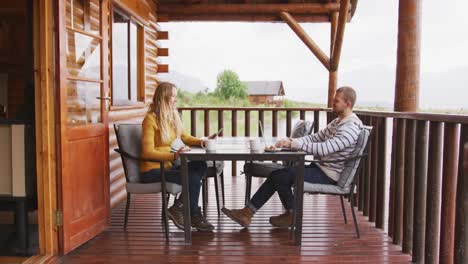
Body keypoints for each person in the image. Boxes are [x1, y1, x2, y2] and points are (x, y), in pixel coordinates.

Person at [222, 86, 363, 228]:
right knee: (279, 175)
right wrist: (291, 142)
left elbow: (326, 147)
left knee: (279, 176)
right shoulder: (338, 121)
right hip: (322, 168)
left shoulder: (351, 127)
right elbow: (316, 137)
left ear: (348, 104)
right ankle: (258, 213)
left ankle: (283, 214)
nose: (332, 103)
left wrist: (294, 144)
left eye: (336, 101)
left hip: (330, 175)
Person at [140, 82, 214, 232]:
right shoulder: (150, 120)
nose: (175, 99)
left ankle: (177, 206)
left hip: (167, 166)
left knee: (200, 166)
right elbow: (147, 153)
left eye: (176, 96)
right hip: (152, 171)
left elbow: (184, 137)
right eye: (173, 96)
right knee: (192, 178)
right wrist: (174, 156)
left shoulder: (170, 117)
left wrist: (202, 141)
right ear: (164, 97)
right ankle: (194, 215)